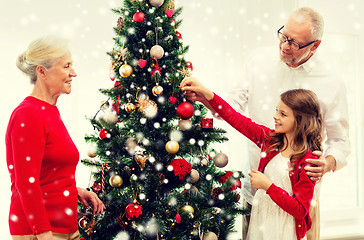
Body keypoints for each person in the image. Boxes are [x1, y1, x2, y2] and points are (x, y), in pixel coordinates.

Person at [185, 7, 350, 240]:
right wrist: (207, 96)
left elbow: (341, 142)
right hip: (258, 200)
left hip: (298, 209)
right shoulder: (258, 63)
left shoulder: (331, 82)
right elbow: (235, 114)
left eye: (295, 43)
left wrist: (329, 162)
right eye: (284, 36)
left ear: (315, 45)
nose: (284, 46)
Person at [181, 77, 322, 239]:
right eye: (277, 110)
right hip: (261, 217)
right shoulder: (270, 139)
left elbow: (300, 209)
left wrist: (268, 186)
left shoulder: (309, 160)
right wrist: (207, 94)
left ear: (300, 121)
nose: (275, 116)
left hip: (284, 227)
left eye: (283, 114)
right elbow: (234, 118)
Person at [6, 35, 105, 240]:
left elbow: (47, 173)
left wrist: (74, 190)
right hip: (42, 232)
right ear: (42, 71)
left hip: (63, 229)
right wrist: (43, 234)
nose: (73, 73)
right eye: (66, 66)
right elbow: (26, 183)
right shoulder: (29, 114)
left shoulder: (48, 111)